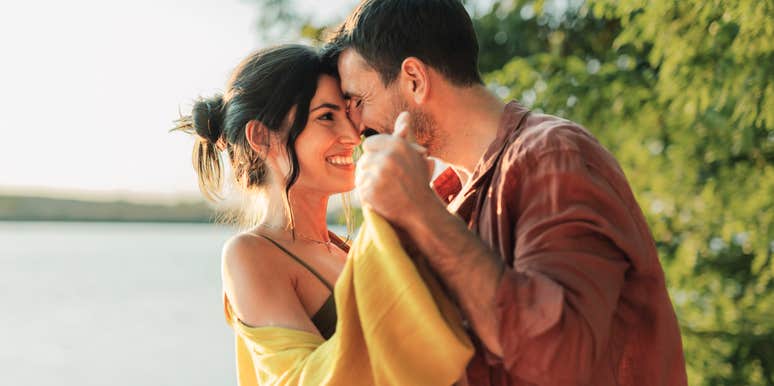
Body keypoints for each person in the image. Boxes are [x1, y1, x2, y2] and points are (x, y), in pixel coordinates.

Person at [323, 0, 689, 385]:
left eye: (358, 102)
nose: (355, 125)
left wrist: (419, 211)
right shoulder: (446, 198)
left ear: (414, 79)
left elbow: (560, 359)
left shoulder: (553, 155)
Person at [173, 44, 472, 386]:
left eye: (347, 114)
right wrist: (390, 214)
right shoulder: (250, 254)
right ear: (262, 136)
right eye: (326, 117)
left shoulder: (346, 248)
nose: (352, 135)